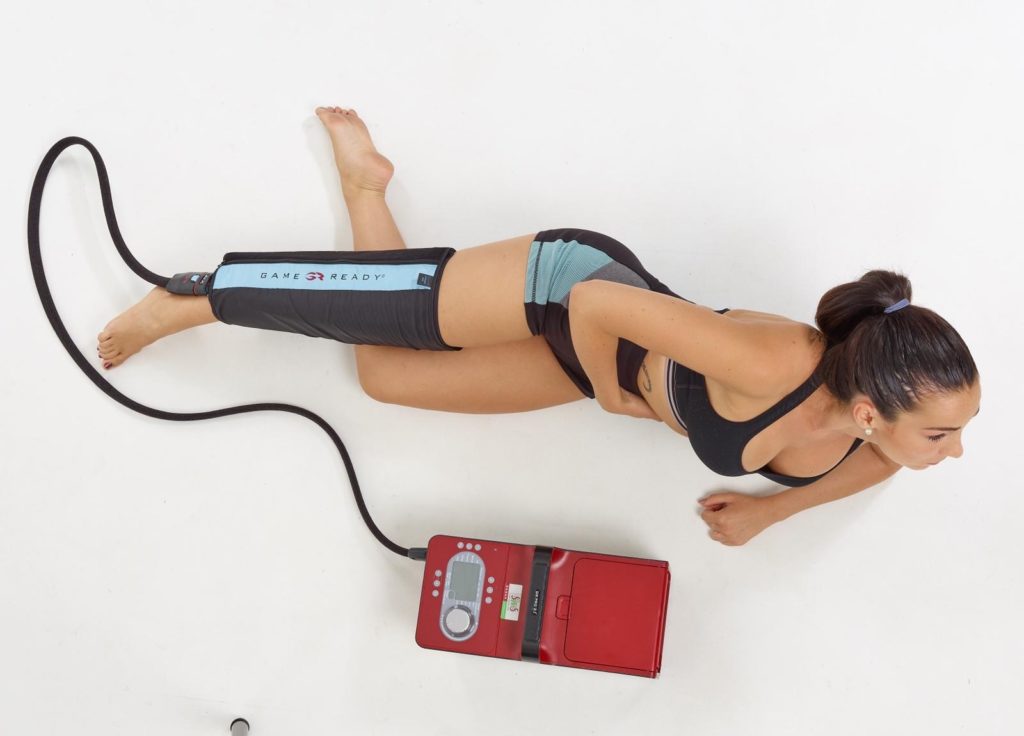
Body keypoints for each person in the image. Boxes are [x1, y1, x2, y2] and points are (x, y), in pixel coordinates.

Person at [95, 106, 981, 546]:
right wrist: (611, 396)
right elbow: (595, 306)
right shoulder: (772, 361)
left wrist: (771, 514)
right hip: (572, 288)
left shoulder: (864, 438)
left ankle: (366, 188)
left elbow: (877, 469)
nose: (954, 451)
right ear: (874, 409)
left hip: (592, 364)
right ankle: (195, 296)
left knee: (384, 374)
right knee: (395, 311)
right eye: (943, 434)